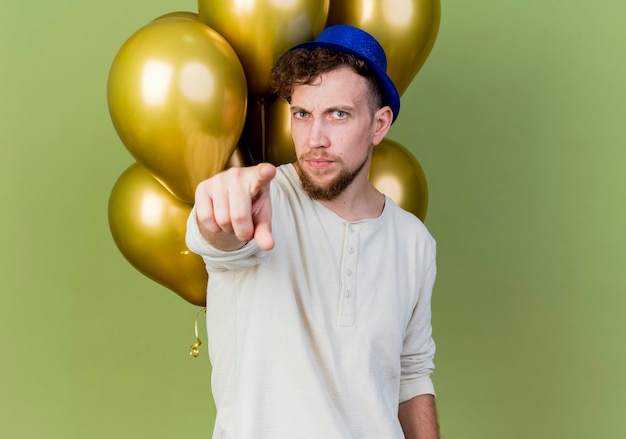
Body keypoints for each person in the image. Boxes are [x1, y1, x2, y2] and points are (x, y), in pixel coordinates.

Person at [186, 24, 439, 439]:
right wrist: (217, 215)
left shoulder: (414, 242)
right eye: (302, 114)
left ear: (379, 125)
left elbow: (411, 374)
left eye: (338, 114)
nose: (315, 139)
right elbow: (220, 241)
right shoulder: (265, 200)